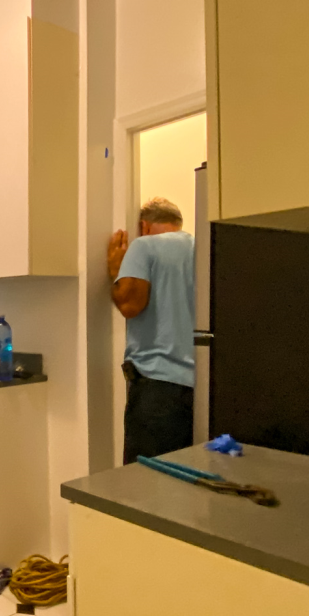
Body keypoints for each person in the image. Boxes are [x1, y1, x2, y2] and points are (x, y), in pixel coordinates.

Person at [108, 197, 195, 464]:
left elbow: (130, 305)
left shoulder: (144, 245)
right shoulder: (200, 247)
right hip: (199, 387)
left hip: (157, 387)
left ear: (144, 226)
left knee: (144, 479)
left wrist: (117, 270)